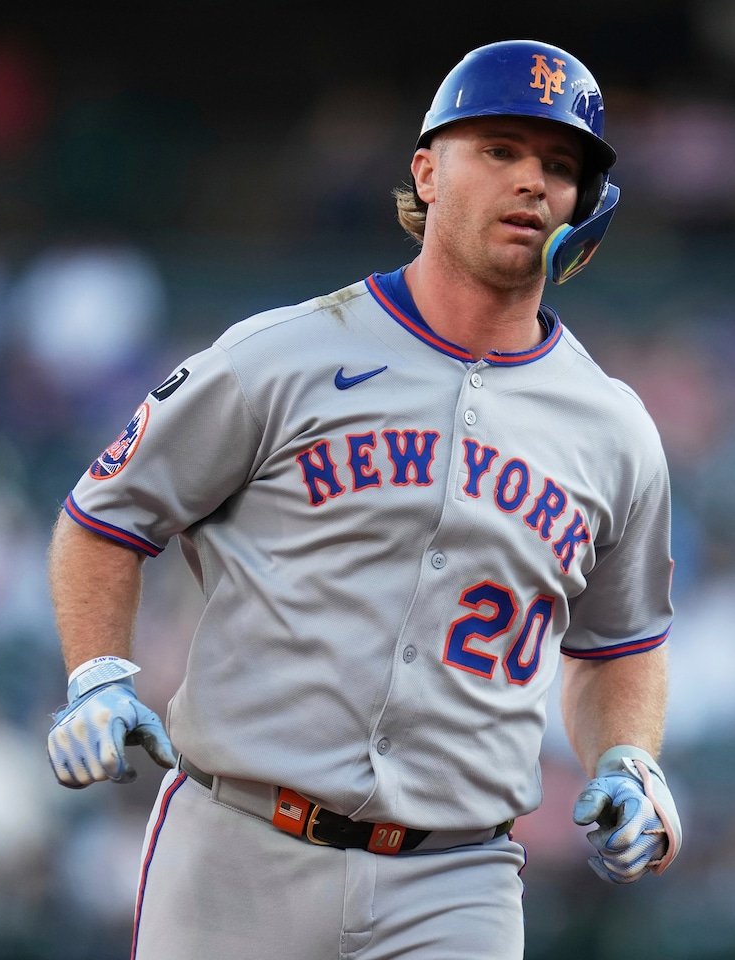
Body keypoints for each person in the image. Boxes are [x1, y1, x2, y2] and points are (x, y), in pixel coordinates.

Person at [44, 38, 682, 958]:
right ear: (426, 173)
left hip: (455, 878)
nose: (531, 181)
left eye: (558, 166)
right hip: (236, 846)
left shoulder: (614, 429)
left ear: (584, 203)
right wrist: (97, 674)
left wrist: (628, 758)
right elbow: (106, 516)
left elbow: (620, 644)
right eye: (498, 150)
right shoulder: (282, 355)